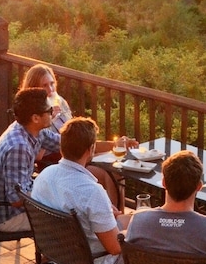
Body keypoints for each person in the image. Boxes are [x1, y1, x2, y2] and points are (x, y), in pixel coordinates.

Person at [31, 117, 130, 264]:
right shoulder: (92, 192)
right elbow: (114, 248)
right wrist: (137, 233)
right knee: (147, 242)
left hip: (61, 260)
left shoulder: (45, 176)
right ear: (90, 150)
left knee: (131, 218)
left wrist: (107, 211)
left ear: (62, 147)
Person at [0, 87, 62, 264]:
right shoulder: (19, 146)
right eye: (49, 110)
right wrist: (51, 193)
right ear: (36, 117)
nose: (52, 112)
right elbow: (17, 199)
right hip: (5, 216)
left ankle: (54, 262)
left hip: (5, 204)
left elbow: (66, 144)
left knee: (61, 204)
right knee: (64, 219)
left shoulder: (30, 130)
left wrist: (111, 146)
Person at [20, 63, 127, 208]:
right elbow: (38, 155)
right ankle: (111, 215)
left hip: (78, 154)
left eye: (52, 83)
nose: (50, 89)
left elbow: (77, 138)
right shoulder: (35, 117)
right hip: (60, 165)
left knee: (117, 168)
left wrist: (115, 144)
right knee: (111, 173)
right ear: (35, 89)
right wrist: (51, 120)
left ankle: (115, 214)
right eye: (45, 85)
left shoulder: (60, 103)